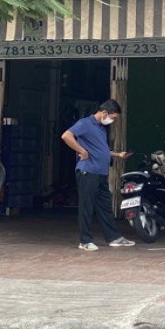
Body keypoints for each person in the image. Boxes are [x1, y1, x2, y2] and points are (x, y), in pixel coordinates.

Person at [60, 100, 135, 251]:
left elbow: (101, 149)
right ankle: (85, 241)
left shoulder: (101, 128)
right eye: (113, 117)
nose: (113, 121)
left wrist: (118, 155)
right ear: (105, 112)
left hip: (100, 173)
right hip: (88, 171)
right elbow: (66, 136)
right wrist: (81, 150)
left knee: (105, 206)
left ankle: (114, 238)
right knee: (86, 206)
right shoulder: (85, 123)